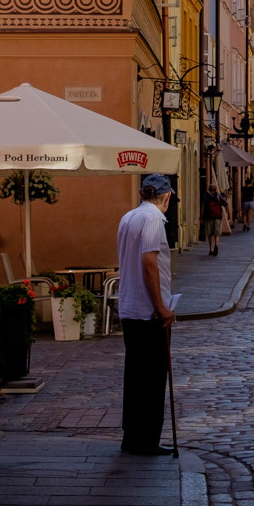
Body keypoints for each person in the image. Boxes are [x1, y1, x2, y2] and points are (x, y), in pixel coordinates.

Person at [116, 174, 175, 456]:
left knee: (136, 375)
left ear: (142, 193)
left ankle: (132, 437)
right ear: (167, 197)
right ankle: (147, 440)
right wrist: (162, 307)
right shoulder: (153, 220)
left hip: (130, 307)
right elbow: (149, 263)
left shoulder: (128, 217)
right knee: (152, 378)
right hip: (148, 311)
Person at [202, 183, 225, 256]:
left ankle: (211, 249)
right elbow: (225, 203)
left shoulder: (206, 195)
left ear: (209, 189)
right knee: (216, 233)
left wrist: (201, 216)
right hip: (218, 217)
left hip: (208, 217)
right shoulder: (218, 195)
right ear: (215, 189)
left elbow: (203, 206)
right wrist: (229, 215)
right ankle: (217, 245)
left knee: (210, 234)